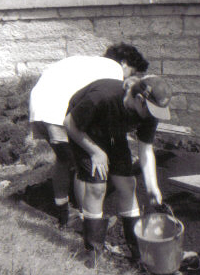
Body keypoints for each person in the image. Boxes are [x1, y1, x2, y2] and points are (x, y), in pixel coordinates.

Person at [28, 44, 149, 228]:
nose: (128, 79)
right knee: (83, 164)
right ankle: (84, 219)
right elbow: (107, 108)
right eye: (131, 73)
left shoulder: (88, 62)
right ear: (124, 63)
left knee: (64, 159)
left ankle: (64, 212)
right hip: (59, 110)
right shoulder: (114, 70)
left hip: (39, 107)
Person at [63, 74, 172, 266]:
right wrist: (95, 152)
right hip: (85, 130)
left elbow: (146, 150)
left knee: (128, 184)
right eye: (151, 111)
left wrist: (152, 187)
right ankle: (93, 252)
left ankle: (138, 255)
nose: (153, 117)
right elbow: (69, 124)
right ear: (139, 100)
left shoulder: (150, 112)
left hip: (113, 132)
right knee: (97, 187)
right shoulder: (102, 97)